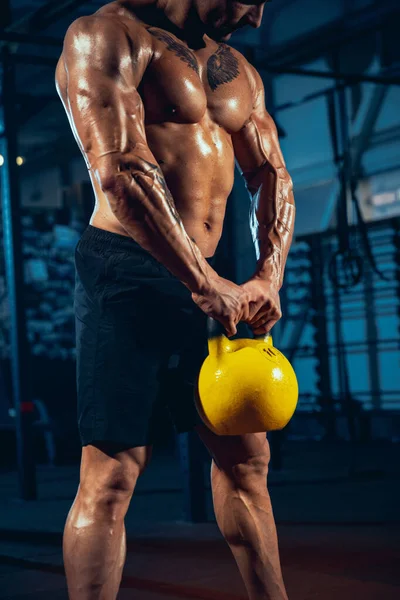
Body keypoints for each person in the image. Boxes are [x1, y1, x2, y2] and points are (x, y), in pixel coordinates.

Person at [55, 1, 295, 598]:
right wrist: (201, 282)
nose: (257, 17)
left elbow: (272, 175)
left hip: (208, 278)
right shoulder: (106, 36)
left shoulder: (238, 67)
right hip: (125, 271)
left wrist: (269, 274)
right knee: (112, 475)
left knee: (248, 463)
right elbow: (121, 172)